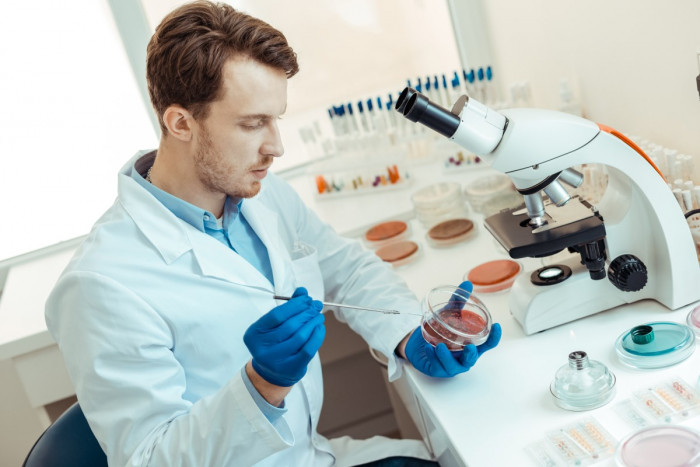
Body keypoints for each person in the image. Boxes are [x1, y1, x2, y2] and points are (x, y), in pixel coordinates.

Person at [44, 2, 501, 466]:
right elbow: (149, 459)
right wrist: (260, 385)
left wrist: (410, 333)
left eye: (275, 118)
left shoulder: (259, 193)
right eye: (252, 124)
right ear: (180, 123)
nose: (276, 147)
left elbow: (346, 268)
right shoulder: (101, 285)